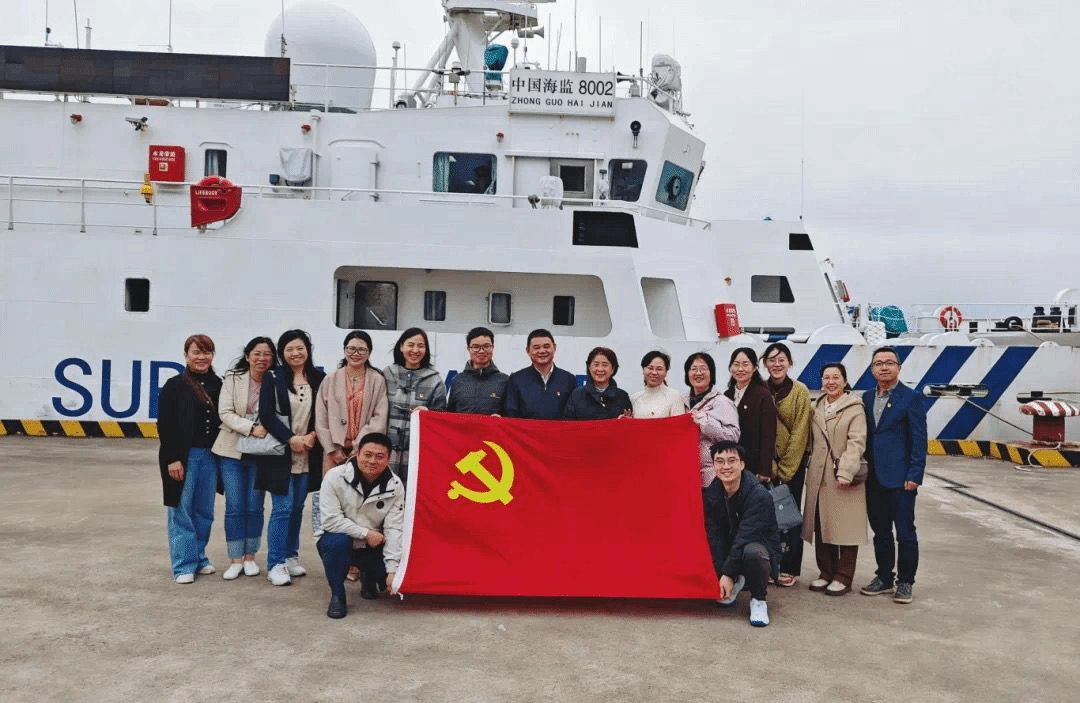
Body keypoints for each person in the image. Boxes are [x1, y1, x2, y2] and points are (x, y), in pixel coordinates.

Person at [315, 330, 389, 582]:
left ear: (369, 353)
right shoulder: (330, 379)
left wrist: (360, 447)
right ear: (344, 350)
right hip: (334, 452)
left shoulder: (377, 380)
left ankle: (362, 563)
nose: (356, 353)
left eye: (362, 349)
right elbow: (321, 418)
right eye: (352, 348)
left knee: (362, 506)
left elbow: (379, 416)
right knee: (336, 505)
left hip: (363, 453)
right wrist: (332, 448)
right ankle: (341, 561)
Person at [257, 329, 326, 587]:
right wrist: (290, 438)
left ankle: (290, 555)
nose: (295, 353)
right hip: (281, 453)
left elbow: (324, 413)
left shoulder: (319, 378)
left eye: (300, 348)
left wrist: (312, 436)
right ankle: (275, 563)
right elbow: (266, 414)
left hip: (308, 452)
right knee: (282, 508)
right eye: (289, 349)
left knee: (297, 507)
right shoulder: (273, 378)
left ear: (308, 350)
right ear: (282, 353)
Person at [860, 346, 927, 604]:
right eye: (879, 363)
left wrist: (915, 475)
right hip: (874, 478)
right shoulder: (866, 398)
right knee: (881, 532)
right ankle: (885, 577)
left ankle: (906, 582)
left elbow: (919, 441)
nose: (884, 367)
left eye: (889, 362)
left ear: (899, 367)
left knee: (905, 532)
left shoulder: (911, 398)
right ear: (872, 369)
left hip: (901, 479)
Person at [316, 432, 405, 619]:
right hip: (342, 538)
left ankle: (369, 576)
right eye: (367, 455)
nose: (372, 461)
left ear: (389, 458)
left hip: (374, 544)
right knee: (335, 543)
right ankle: (338, 595)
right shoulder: (335, 476)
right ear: (357, 454)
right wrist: (365, 533)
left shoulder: (395, 485)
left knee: (383, 579)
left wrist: (392, 570)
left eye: (379, 456)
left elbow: (394, 528)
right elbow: (330, 520)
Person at [157, 334, 222, 584]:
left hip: (210, 456)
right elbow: (165, 425)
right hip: (184, 456)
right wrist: (172, 459)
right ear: (186, 356)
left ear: (212, 355)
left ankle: (199, 556)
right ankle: (183, 564)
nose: (201, 357)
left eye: (207, 352)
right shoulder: (174, 385)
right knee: (181, 510)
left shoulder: (219, 384)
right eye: (196, 352)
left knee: (204, 511)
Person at [211, 336, 275, 580]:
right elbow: (225, 412)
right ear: (248, 356)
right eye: (257, 353)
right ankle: (235, 558)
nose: (262, 358)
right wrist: (251, 428)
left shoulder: (277, 379)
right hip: (232, 450)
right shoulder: (233, 379)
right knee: (235, 507)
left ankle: (250, 557)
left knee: (255, 506)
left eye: (267, 354)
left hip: (263, 452)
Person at [803, 362, 868, 596]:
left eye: (836, 377)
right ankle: (826, 572)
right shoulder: (816, 407)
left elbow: (856, 442)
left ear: (845, 381)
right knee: (823, 525)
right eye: (826, 377)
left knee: (846, 527)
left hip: (842, 475)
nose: (830, 382)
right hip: (819, 476)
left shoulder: (854, 408)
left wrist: (846, 472)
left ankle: (843, 576)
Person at [703, 440, 780, 627]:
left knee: (753, 552)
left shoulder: (758, 495)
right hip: (733, 548)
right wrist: (722, 573)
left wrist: (727, 574)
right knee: (708, 542)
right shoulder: (712, 492)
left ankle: (759, 599)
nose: (726, 467)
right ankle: (735, 581)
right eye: (720, 461)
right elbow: (714, 535)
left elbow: (746, 536)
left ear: (742, 464)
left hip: (758, 547)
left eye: (732, 461)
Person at [762, 342, 811, 588]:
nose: (777, 364)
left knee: (790, 516)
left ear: (790, 363)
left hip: (792, 467)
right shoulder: (761, 389)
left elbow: (801, 432)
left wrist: (785, 469)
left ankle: (789, 567)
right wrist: (769, 466)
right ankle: (769, 565)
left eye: (781, 359)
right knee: (766, 517)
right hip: (765, 467)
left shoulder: (800, 391)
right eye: (771, 359)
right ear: (765, 364)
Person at [383, 327, 447, 487]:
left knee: (413, 491)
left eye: (421, 346)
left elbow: (442, 418)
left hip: (417, 451)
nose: (415, 350)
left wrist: (429, 414)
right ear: (401, 347)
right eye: (410, 345)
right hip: (386, 449)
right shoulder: (387, 374)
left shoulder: (435, 380)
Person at [683, 352, 740, 488]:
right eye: (693, 369)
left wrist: (704, 422)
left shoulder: (722, 402)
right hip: (686, 474)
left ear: (711, 373)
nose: (698, 373)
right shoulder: (680, 401)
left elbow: (733, 436)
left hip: (712, 477)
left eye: (703, 369)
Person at [724, 347, 777, 485]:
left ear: (754, 368)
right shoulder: (727, 395)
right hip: (730, 463)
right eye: (736, 364)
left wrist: (765, 470)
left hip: (753, 466)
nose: (740, 369)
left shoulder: (763, 395)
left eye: (745, 364)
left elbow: (768, 435)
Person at [503, 329, 578, 419]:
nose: (542, 351)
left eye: (546, 346)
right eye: (536, 348)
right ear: (528, 351)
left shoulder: (569, 379)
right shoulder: (516, 380)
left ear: (554, 348)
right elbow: (510, 415)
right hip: (526, 429)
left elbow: (575, 415)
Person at [446, 326, 508, 415]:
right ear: (468, 349)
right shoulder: (457, 381)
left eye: (486, 346)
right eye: (476, 347)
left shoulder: (505, 381)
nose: (481, 351)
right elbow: (449, 415)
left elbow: (512, 416)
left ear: (493, 348)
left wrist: (501, 418)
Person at [563, 347, 633, 420]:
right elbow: (567, 424)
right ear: (589, 367)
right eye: (596, 365)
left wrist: (622, 423)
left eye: (605, 365)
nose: (600, 369)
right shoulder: (577, 396)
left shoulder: (622, 397)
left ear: (613, 369)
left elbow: (630, 425)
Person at [629, 350, 684, 419]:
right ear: (643, 370)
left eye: (659, 369)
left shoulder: (674, 396)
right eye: (650, 368)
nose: (654, 372)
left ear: (666, 372)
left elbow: (679, 424)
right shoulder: (633, 399)